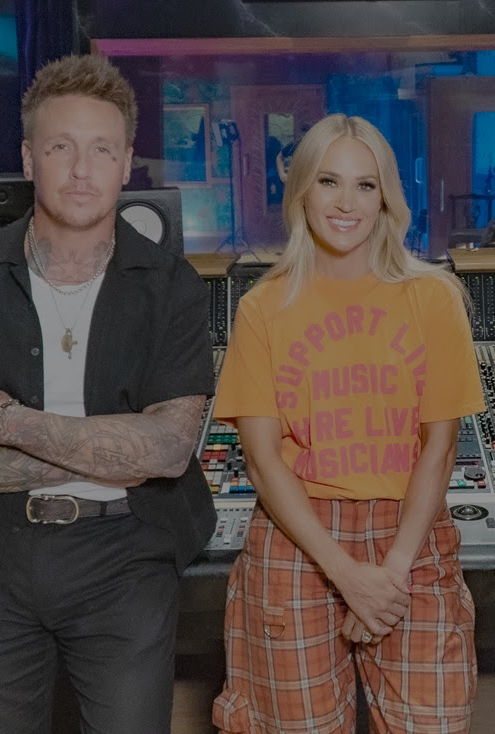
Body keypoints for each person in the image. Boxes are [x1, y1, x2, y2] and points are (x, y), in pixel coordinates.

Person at [0, 54, 216, 734]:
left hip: (127, 558)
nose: (80, 169)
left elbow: (165, 450)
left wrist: (6, 422)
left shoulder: (172, 287)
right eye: (60, 147)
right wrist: (107, 454)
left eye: (101, 149)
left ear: (125, 164)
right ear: (27, 158)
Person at [212, 114, 483, 733]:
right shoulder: (262, 308)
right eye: (329, 181)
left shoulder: (435, 298)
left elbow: (439, 449)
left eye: (366, 185)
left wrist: (388, 574)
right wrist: (344, 572)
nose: (346, 203)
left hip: (409, 532)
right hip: (299, 539)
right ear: (302, 188)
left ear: (386, 196)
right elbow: (263, 461)